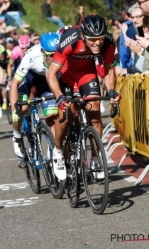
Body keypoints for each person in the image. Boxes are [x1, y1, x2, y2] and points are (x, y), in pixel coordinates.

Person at [46, 14, 121, 181]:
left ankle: (95, 156)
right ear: (83, 36)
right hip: (66, 74)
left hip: (87, 75)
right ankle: (58, 151)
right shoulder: (70, 39)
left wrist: (111, 91)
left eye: (100, 38)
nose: (97, 43)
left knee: (94, 111)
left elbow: (109, 70)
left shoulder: (108, 43)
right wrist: (59, 97)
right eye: (92, 39)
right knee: (66, 115)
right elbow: (51, 74)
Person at [10, 32, 59, 158]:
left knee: (51, 115)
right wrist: (14, 110)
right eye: (51, 55)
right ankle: (16, 135)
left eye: (56, 55)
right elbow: (15, 83)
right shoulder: (31, 57)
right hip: (28, 78)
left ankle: (53, 149)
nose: (54, 59)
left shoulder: (61, 57)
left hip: (46, 81)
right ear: (43, 53)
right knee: (22, 109)